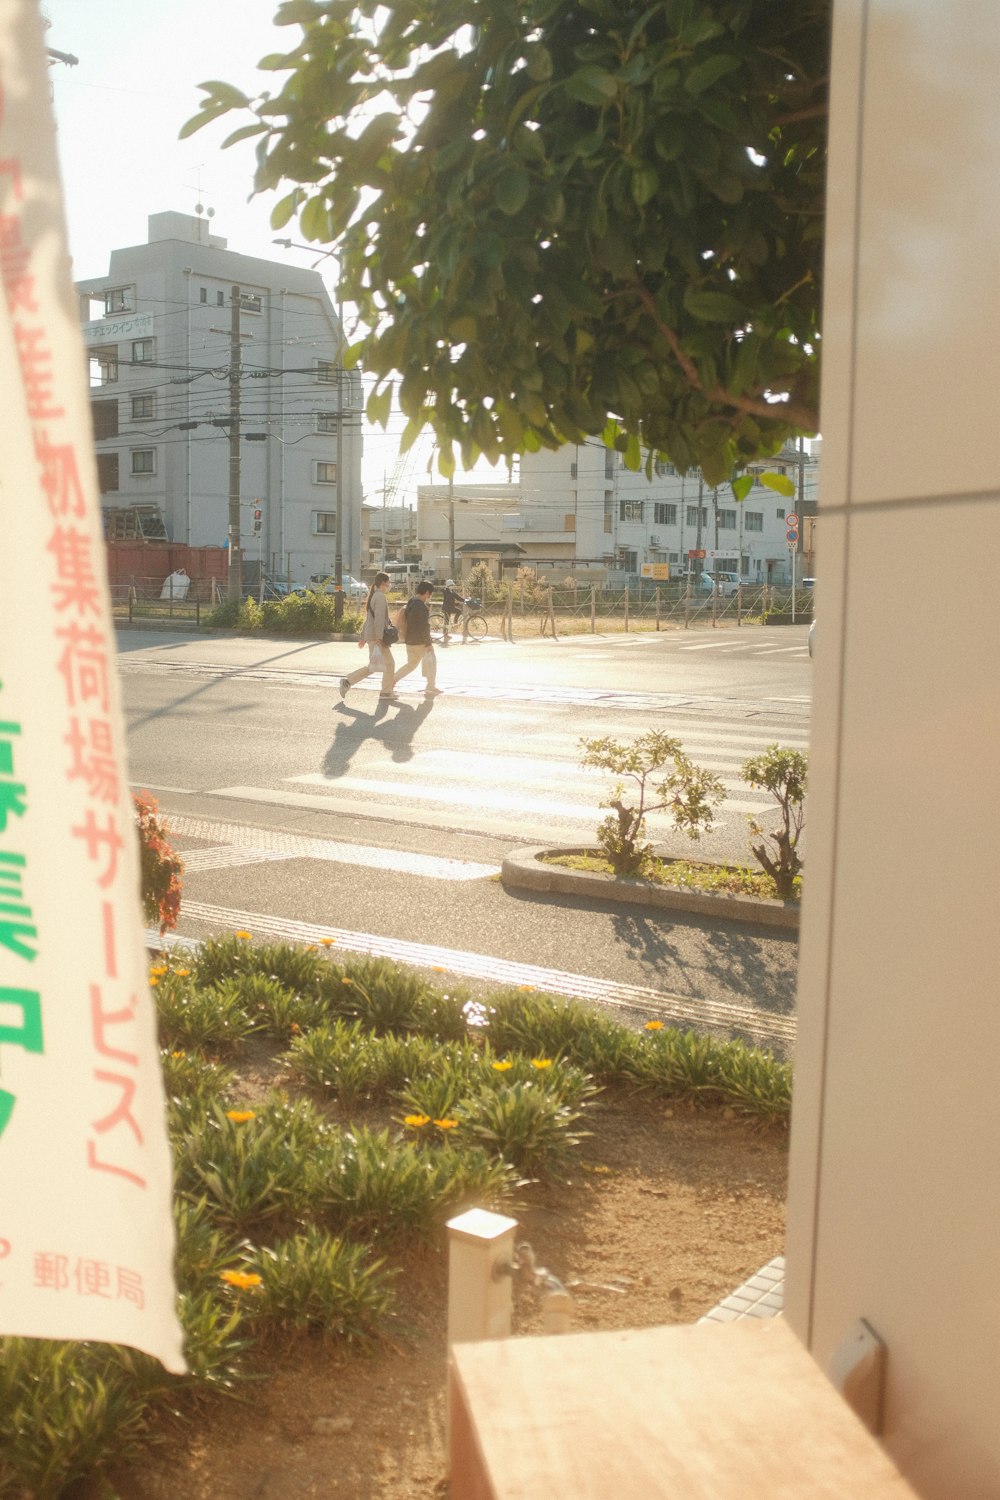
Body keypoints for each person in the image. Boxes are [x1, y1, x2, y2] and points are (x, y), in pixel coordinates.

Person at [338, 572, 397, 702]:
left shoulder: (374, 596)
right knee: (381, 665)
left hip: (373, 636)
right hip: (377, 637)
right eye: (388, 582)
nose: (389, 585)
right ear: (383, 583)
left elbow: (369, 619)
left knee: (379, 665)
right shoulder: (380, 596)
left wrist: (363, 636)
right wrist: (379, 637)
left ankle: (385, 691)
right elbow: (379, 619)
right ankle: (348, 682)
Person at [392, 580, 442, 697]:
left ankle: (392, 680)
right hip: (420, 642)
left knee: (411, 665)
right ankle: (431, 686)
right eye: (431, 594)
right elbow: (423, 627)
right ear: (427, 592)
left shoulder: (411, 602)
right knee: (432, 661)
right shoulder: (422, 607)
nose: (430, 596)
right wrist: (428, 643)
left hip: (409, 640)